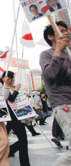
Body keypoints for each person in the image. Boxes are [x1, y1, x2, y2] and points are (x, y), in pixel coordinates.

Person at [39, 21, 71, 166]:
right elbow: (50, 75)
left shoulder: (68, 53)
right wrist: (58, 51)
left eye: (67, 31)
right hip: (63, 105)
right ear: (51, 36)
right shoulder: (46, 54)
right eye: (62, 31)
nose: (66, 33)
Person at [2, 71, 31, 166]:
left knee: (22, 141)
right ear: (8, 79)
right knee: (23, 141)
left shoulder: (14, 88)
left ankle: (9, 151)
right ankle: (10, 152)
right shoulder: (4, 88)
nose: (14, 80)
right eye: (12, 78)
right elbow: (10, 98)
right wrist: (16, 90)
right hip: (12, 117)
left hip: (18, 116)